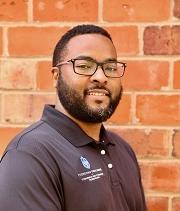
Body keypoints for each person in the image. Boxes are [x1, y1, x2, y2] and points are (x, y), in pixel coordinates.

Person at [0, 24, 147, 211]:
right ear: (56, 76)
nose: (101, 77)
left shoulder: (123, 150)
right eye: (85, 66)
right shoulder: (30, 155)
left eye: (110, 68)